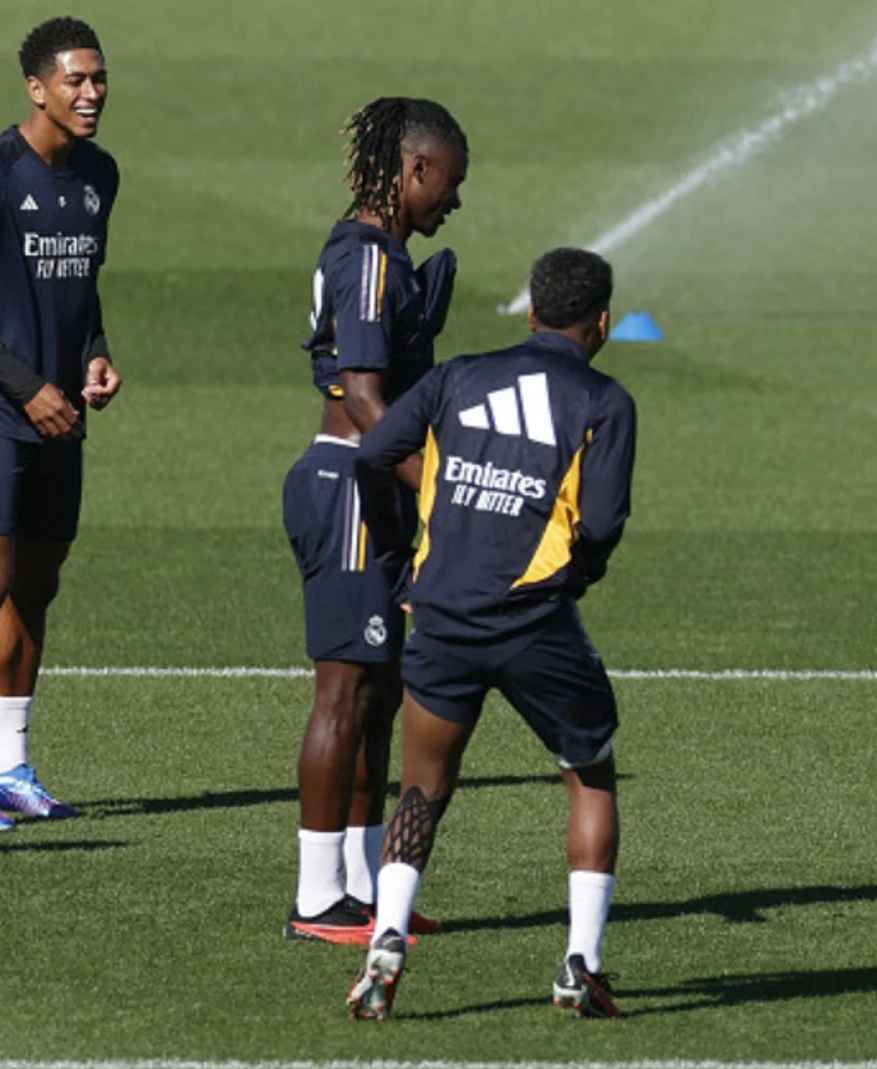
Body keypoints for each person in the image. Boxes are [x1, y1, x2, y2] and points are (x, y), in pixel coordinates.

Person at [346, 248, 636, 1022]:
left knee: (423, 788)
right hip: (537, 623)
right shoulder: (605, 399)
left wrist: (446, 486)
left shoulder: (457, 376)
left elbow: (373, 448)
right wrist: (575, 575)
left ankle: (385, 941)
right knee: (591, 772)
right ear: (600, 323)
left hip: (440, 616)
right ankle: (582, 964)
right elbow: (602, 524)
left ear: (532, 312)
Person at [281, 98, 466, 942]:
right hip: (352, 483)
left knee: (381, 693)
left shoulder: (387, 256)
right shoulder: (366, 260)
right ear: (416, 169)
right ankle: (318, 895)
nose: (452, 204)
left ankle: (359, 886)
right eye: (449, 185)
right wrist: (438, 489)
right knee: (344, 692)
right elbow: (361, 399)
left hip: (378, 488)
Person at [0, 17, 121, 833]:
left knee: (36, 585)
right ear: (36, 88)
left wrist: (96, 356)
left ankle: (11, 766)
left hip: (57, 411)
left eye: (100, 78)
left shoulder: (99, 176)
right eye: (76, 80)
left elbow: (80, 288)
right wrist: (25, 388)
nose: (92, 93)